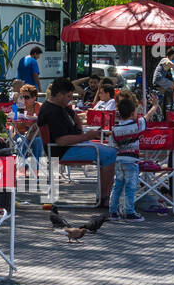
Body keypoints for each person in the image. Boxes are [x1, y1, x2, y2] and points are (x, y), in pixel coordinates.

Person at [38, 77, 116, 206]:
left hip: (71, 146)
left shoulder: (60, 106)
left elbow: (76, 124)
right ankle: (104, 198)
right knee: (110, 154)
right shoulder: (51, 112)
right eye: (69, 96)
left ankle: (103, 196)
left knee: (108, 152)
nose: (71, 99)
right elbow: (62, 140)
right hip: (62, 151)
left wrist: (72, 113)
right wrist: (87, 137)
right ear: (59, 95)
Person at [108, 94, 145, 222]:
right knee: (130, 187)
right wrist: (155, 106)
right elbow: (147, 117)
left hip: (118, 160)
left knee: (117, 186)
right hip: (131, 160)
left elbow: (112, 145)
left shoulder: (115, 129)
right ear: (132, 113)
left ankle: (113, 211)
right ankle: (129, 212)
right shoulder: (137, 125)